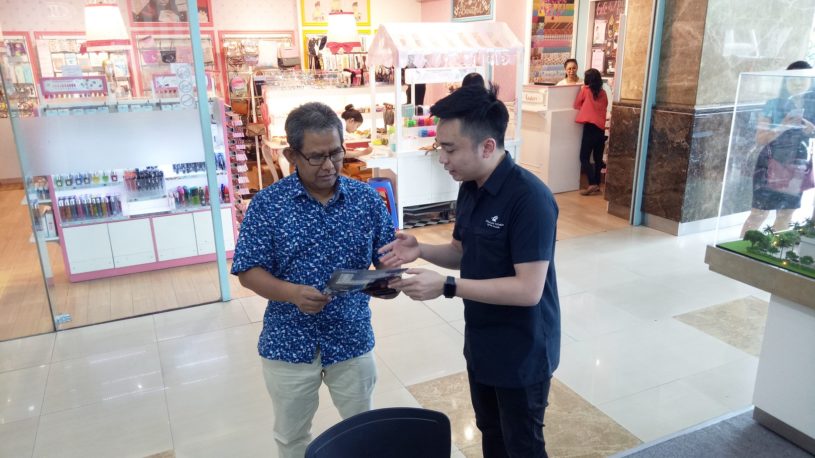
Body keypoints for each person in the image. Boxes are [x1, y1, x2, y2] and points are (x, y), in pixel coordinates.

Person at [378, 83, 561, 458]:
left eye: (450, 149)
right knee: (491, 433)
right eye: (440, 148)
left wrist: (448, 287)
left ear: (487, 147)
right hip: (482, 340)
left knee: (522, 445)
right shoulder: (471, 187)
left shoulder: (530, 199)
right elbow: (462, 252)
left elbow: (528, 290)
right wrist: (420, 250)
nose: (442, 159)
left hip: (523, 348)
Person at [231, 102, 398, 458]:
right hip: (288, 341)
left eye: (336, 153)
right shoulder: (268, 205)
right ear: (292, 155)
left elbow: (386, 260)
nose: (329, 166)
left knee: (361, 431)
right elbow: (248, 270)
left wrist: (390, 279)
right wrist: (291, 293)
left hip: (351, 335)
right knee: (292, 437)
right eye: (316, 157)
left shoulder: (366, 200)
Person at [741, 61, 815, 236]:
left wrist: (811, 129)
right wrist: (782, 126)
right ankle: (743, 248)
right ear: (785, 80)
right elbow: (760, 138)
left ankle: (776, 248)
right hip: (770, 162)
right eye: (793, 79)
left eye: (802, 79)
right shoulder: (773, 104)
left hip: (798, 165)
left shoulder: (812, 104)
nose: (798, 83)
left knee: (786, 212)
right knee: (759, 213)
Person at [574, 68, 608, 196]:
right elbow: (605, 106)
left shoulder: (585, 90)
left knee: (584, 157)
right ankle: (597, 185)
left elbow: (576, 105)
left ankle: (592, 183)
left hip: (589, 127)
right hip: (601, 129)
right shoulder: (603, 93)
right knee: (598, 159)